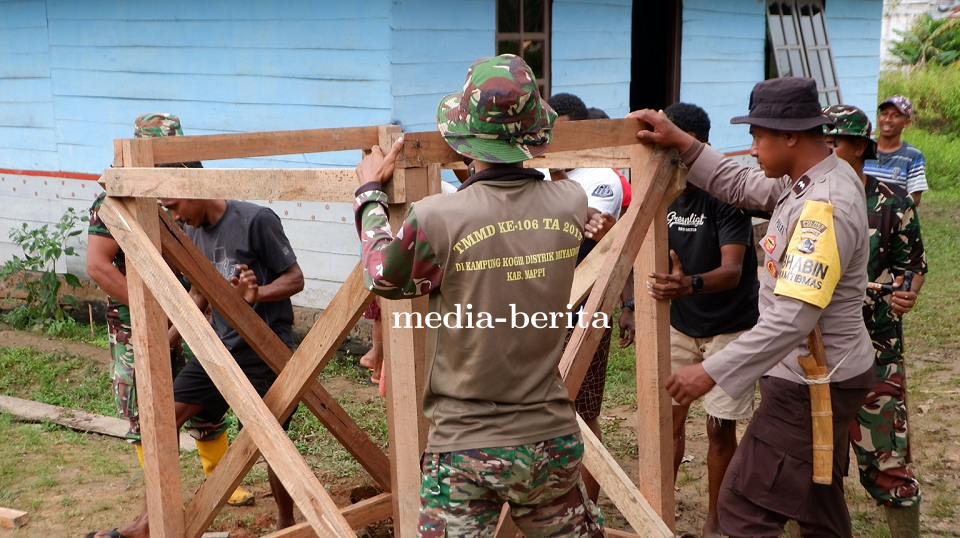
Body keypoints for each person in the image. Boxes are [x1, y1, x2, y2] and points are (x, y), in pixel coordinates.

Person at [353, 54, 606, 537]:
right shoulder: (571, 201)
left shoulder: (437, 217)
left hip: (467, 448)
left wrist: (368, 194)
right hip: (551, 438)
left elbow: (382, 276)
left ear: (461, 138)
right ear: (534, 131)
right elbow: (528, 179)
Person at [630, 77, 875, 538]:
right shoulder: (809, 179)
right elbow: (740, 184)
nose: (753, 146)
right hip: (825, 371)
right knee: (816, 498)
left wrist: (712, 370)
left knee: (743, 509)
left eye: (757, 135)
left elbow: (793, 318)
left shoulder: (824, 207)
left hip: (810, 383)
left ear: (790, 136)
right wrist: (682, 141)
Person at [89, 192, 304, 537]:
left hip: (264, 350)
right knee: (161, 417)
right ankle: (150, 520)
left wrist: (258, 294)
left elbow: (296, 278)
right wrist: (169, 337)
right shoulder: (192, 231)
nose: (173, 216)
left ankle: (287, 522)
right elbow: (200, 291)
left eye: (173, 207)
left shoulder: (255, 220)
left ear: (193, 190)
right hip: (218, 349)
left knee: (272, 440)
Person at [85, 113, 253, 511]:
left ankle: (222, 481)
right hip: (137, 321)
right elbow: (98, 265)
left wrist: (203, 298)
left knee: (203, 394)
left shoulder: (186, 185)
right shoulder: (115, 198)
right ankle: (161, 497)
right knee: (146, 407)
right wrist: (155, 307)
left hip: (190, 308)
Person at [645, 102, 759, 538]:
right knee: (668, 419)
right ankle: (658, 514)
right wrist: (637, 309)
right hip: (680, 324)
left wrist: (687, 285)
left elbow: (732, 272)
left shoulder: (727, 197)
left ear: (694, 147)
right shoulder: (661, 193)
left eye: (669, 152)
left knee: (718, 428)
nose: (662, 163)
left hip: (729, 327)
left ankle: (715, 522)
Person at [822, 104, 927, 538]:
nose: (826, 150)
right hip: (814, 351)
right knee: (810, 465)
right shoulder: (804, 198)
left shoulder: (891, 203)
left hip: (875, 349)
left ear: (860, 147)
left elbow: (913, 265)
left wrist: (907, 295)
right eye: (820, 142)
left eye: (835, 143)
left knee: (885, 462)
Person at [548, 93, 624, 502]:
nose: (549, 143)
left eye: (558, 134)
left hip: (585, 309)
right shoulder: (544, 173)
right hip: (539, 308)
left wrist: (551, 174)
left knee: (582, 409)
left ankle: (589, 502)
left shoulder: (599, 177)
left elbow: (572, 230)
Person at [863, 95, 927, 206]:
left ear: (906, 123)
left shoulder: (913, 156)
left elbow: (915, 197)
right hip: (861, 215)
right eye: (884, 114)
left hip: (892, 219)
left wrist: (890, 213)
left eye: (895, 115)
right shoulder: (864, 148)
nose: (887, 120)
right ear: (878, 118)